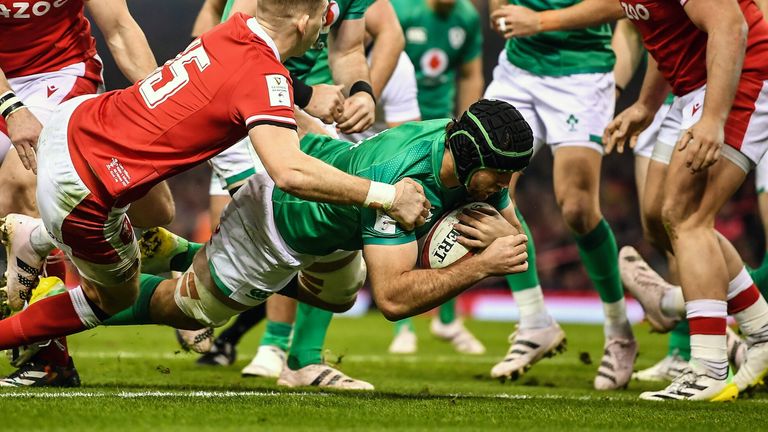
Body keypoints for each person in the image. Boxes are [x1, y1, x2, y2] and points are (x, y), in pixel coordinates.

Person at [0, 0, 430, 366]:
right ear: (303, 23)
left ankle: (35, 238)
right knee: (111, 298)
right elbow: (291, 172)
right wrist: (385, 195)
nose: (323, 31)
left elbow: (258, 86)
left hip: (74, 125)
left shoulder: (235, 31)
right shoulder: (263, 77)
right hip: (83, 191)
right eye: (323, 18)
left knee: (160, 213)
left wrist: (304, 97)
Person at [0, 100, 534, 391]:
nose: (506, 188)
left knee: (340, 295)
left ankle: (170, 248)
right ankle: (31, 324)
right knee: (183, 307)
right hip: (279, 222)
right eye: (501, 175)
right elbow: (393, 299)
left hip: (331, 227)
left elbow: (516, 238)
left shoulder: (459, 143)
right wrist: (481, 264)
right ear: (466, 158)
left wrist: (501, 237)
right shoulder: (406, 181)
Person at [0, 0, 174, 387]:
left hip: (64, 71)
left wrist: (163, 105)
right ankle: (50, 360)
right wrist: (11, 105)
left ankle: (147, 239)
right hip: (4, 85)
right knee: (19, 186)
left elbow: (120, 27)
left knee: (156, 208)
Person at [604, 0, 768, 401]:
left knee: (687, 215)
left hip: (742, 73)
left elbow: (730, 26)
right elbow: (670, 34)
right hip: (692, 83)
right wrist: (645, 104)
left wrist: (713, 118)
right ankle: (762, 333)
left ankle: (709, 367)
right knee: (663, 217)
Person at [483, 0, 634, 390]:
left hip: (581, 73)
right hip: (518, 70)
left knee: (579, 208)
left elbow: (621, 6)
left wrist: (539, 21)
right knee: (485, 190)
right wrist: (501, 8)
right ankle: (534, 321)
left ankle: (619, 331)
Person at [386, 0, 487, 356]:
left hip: (446, 137)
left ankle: (447, 319)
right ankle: (402, 326)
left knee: (454, 222)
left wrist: (469, 128)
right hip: (402, 132)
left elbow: (470, 74)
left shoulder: (468, 17)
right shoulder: (402, 10)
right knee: (399, 221)